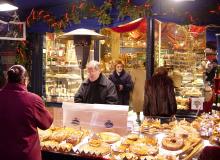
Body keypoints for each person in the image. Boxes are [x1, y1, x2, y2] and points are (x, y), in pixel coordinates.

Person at [0, 65, 53, 160]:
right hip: (25, 155)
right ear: (25, 80)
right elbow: (46, 123)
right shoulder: (33, 100)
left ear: (7, 79)